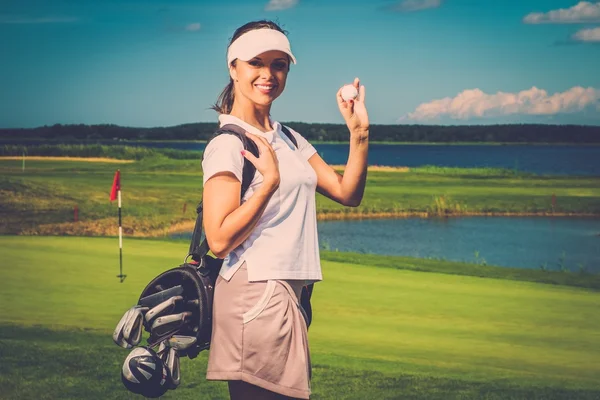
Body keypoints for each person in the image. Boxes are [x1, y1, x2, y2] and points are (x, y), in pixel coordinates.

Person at [202, 20, 369, 400]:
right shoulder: (229, 143)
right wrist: (268, 187)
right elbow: (219, 239)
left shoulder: (288, 137)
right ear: (234, 68)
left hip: (290, 293)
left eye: (279, 64)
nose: (268, 74)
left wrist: (359, 135)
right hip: (256, 292)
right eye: (256, 62)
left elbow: (347, 193)